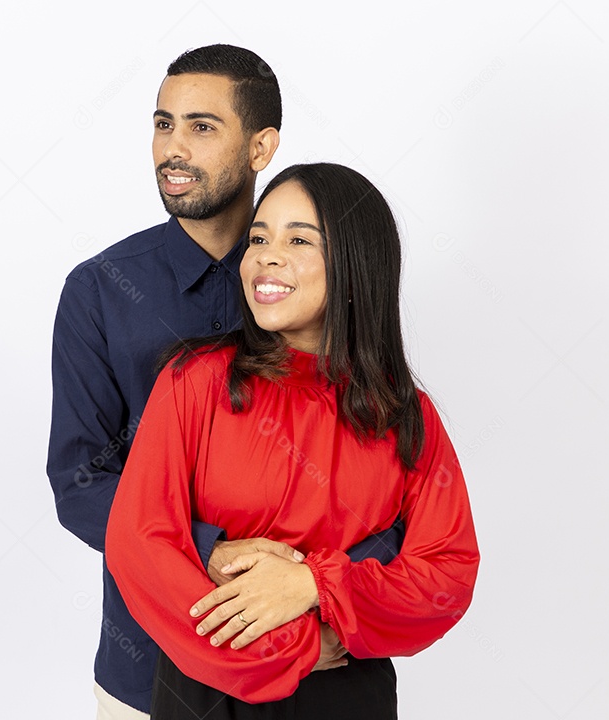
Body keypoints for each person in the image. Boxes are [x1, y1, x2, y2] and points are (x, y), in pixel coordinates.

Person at [47, 47, 404, 719]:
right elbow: (80, 483)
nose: (172, 148)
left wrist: (319, 596)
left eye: (202, 127)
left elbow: (389, 477)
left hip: (321, 670)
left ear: (261, 146)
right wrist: (210, 551)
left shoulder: (320, 281)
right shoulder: (99, 293)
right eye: (162, 124)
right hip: (146, 667)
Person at [106, 163, 480, 719]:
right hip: (211, 690)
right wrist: (303, 647)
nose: (265, 255)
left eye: (298, 239)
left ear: (356, 264)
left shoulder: (405, 416)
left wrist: (313, 584)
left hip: (347, 696)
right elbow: (141, 545)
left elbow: (446, 573)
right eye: (258, 237)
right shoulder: (196, 381)